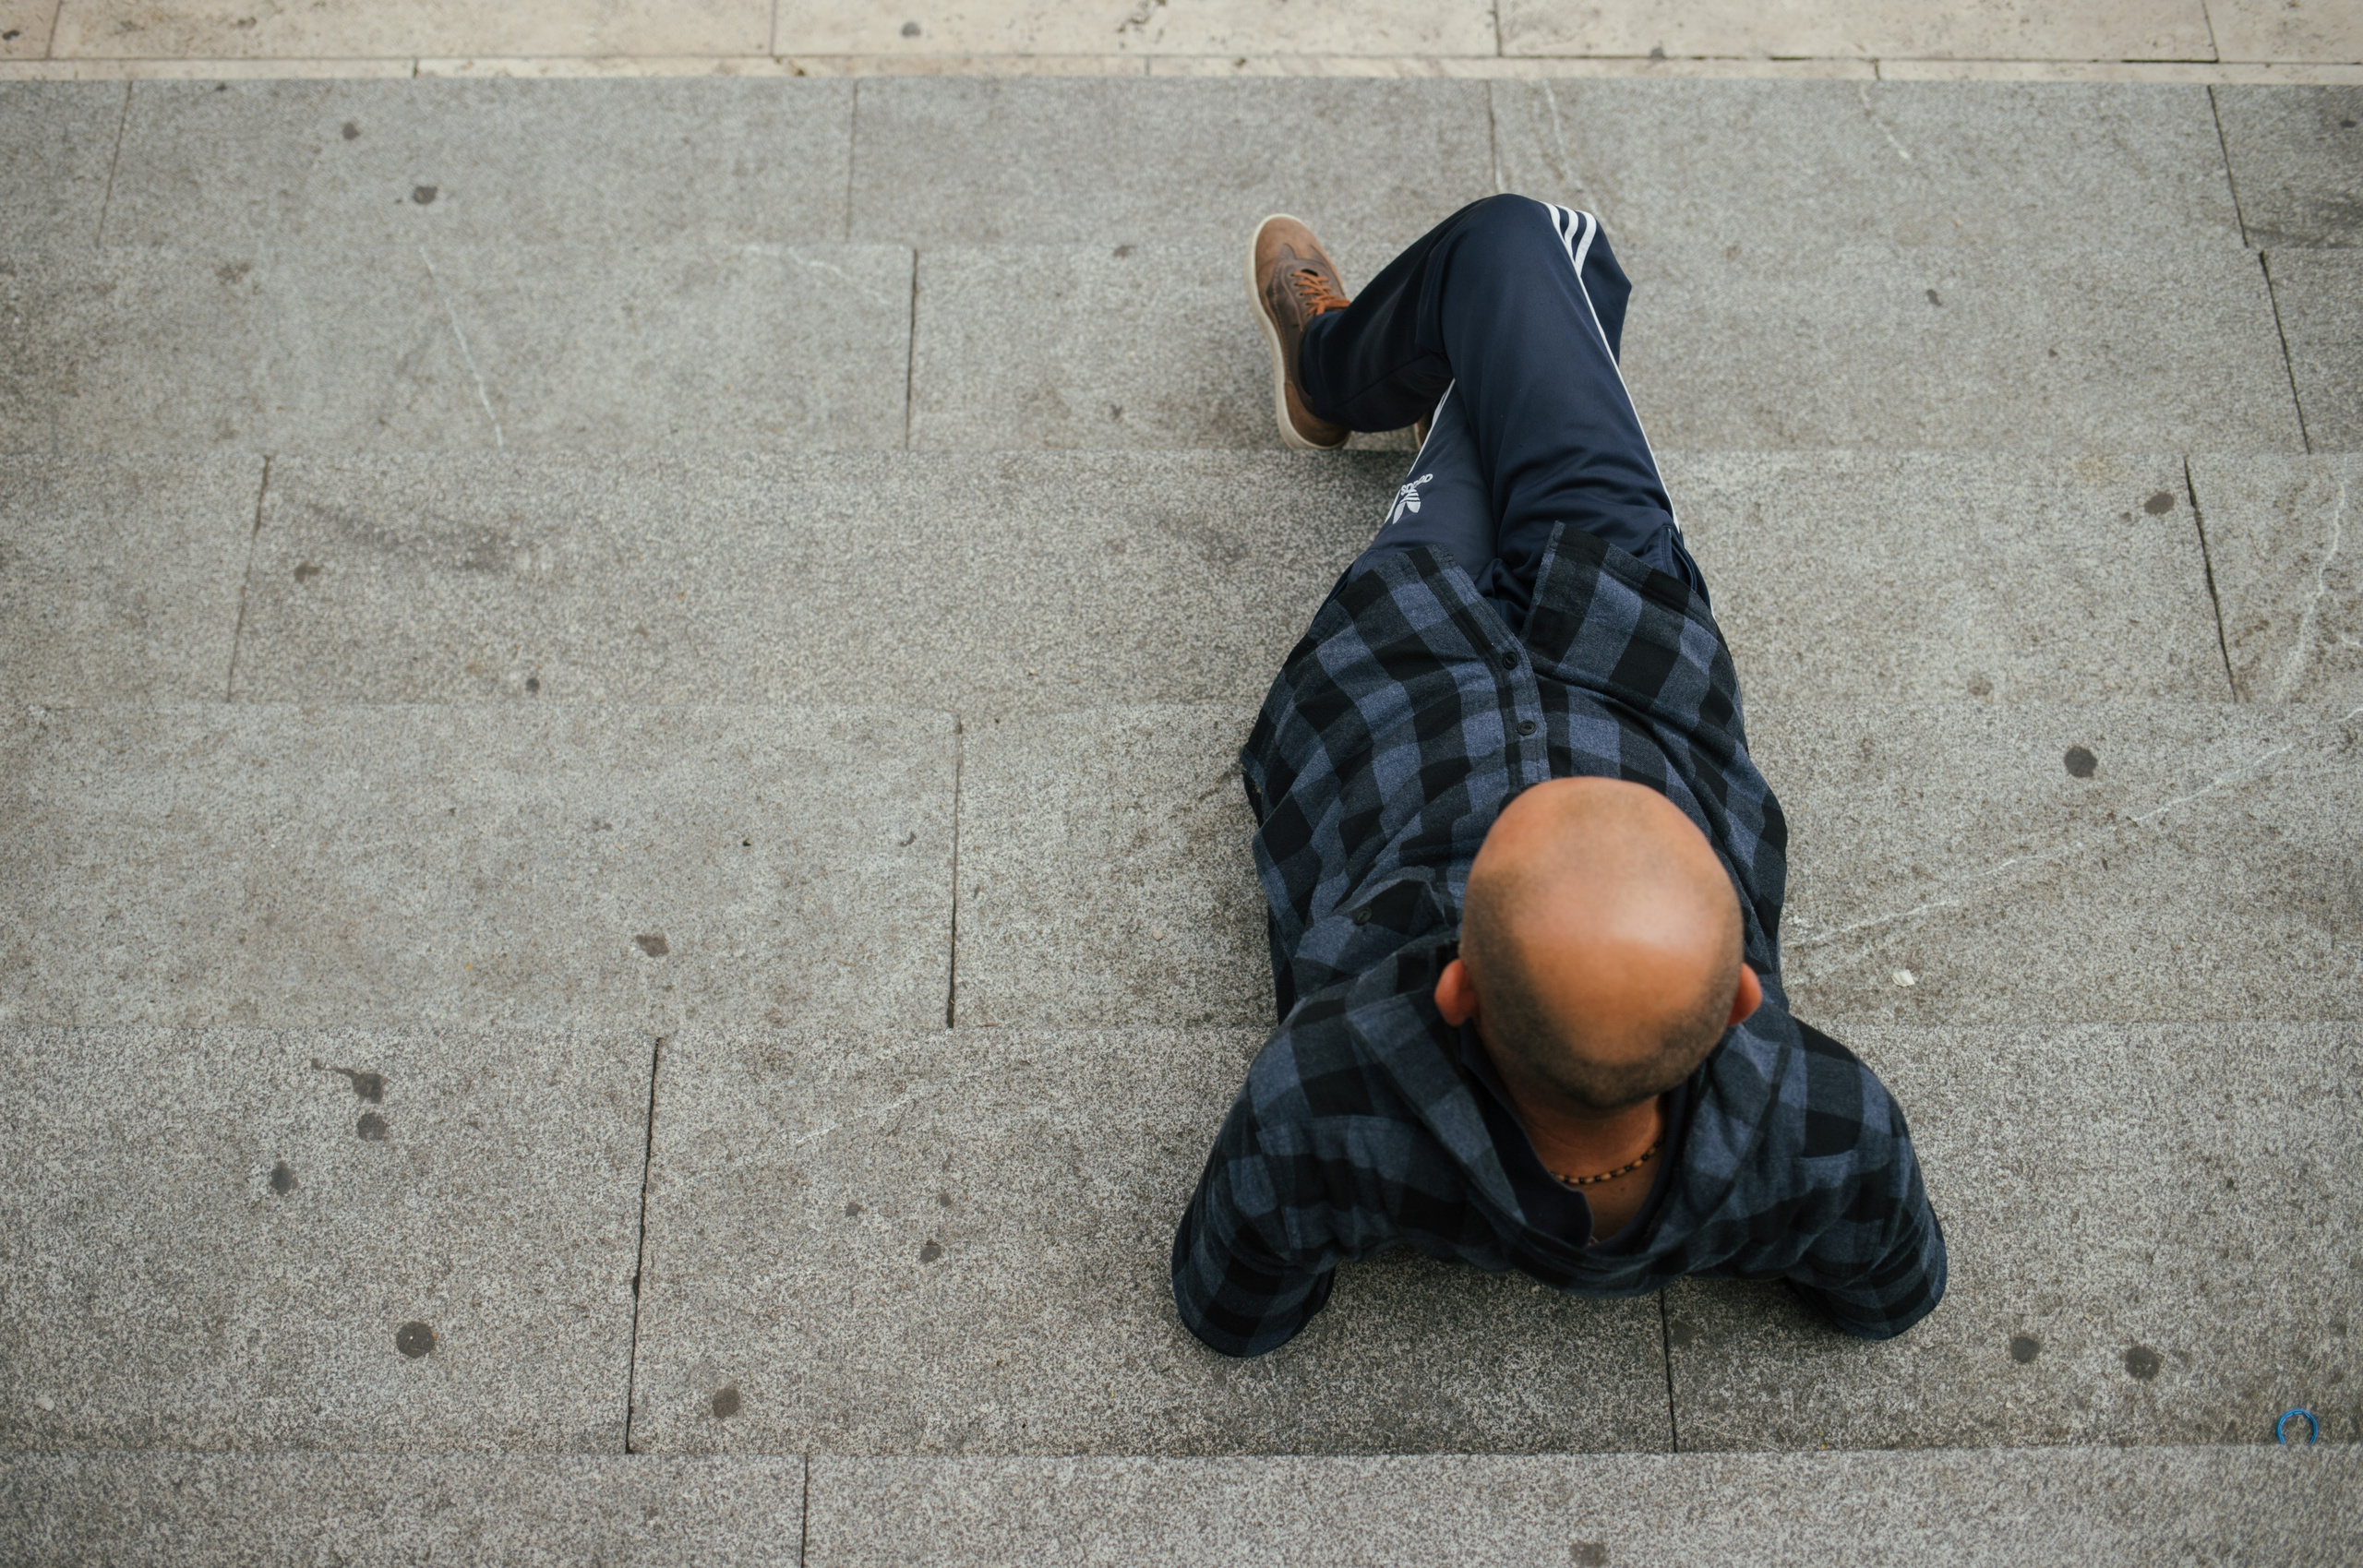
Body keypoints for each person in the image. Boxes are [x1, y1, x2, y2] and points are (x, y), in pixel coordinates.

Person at [1170, 196, 1946, 1357]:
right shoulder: (1823, 1118)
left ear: (1457, 992)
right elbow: (1888, 1297)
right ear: (1741, 996)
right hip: (1627, 638)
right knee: (1559, 271)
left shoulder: (1325, 1094)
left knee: (1538, 246)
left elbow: (1235, 1311)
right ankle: (1411, 375)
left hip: (1404, 671)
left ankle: (1333, 372)